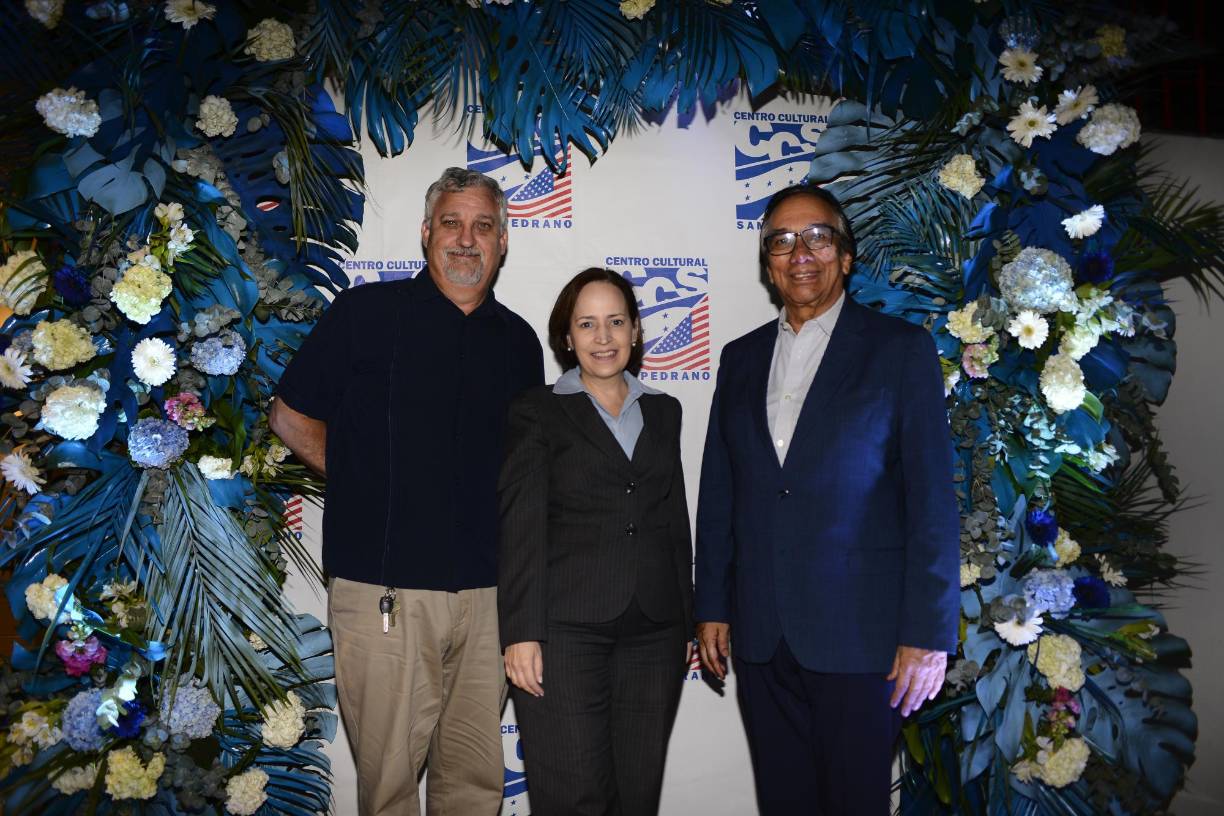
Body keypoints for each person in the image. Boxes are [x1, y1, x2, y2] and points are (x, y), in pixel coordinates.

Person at [269, 167, 544, 816]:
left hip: (488, 599)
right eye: (451, 223)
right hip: (383, 593)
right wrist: (362, 477)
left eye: (483, 227)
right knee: (388, 790)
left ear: (503, 242)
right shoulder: (367, 314)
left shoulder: (519, 343)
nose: (466, 239)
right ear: (426, 234)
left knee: (475, 789)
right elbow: (289, 414)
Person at [693, 183, 959, 815]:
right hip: (761, 635)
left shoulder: (899, 350)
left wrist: (928, 634)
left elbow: (931, 501)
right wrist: (711, 606)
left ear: (845, 255)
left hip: (862, 640)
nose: (800, 252)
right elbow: (720, 491)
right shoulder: (739, 357)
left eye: (817, 236)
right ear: (767, 262)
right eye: (781, 241)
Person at [498, 268, 694, 816]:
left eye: (615, 323)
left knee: (637, 796)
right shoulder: (536, 410)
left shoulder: (664, 410)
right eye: (587, 324)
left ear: (634, 331)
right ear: (567, 336)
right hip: (563, 632)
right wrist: (520, 632)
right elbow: (521, 525)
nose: (603, 338)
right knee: (572, 797)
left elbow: (672, 518)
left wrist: (685, 614)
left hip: (655, 632)